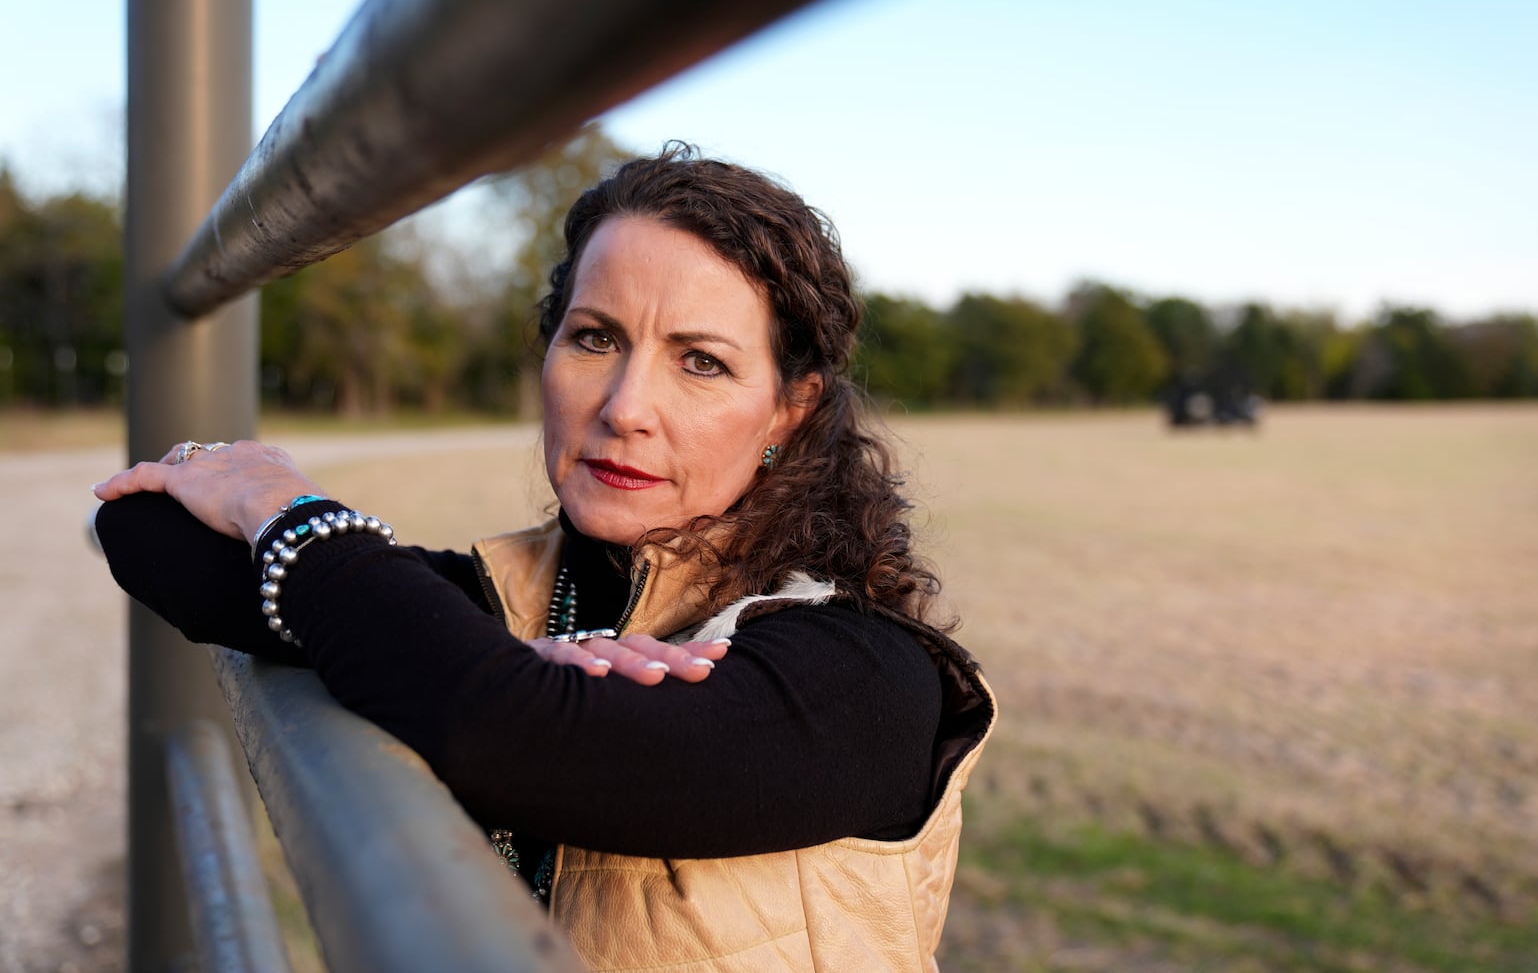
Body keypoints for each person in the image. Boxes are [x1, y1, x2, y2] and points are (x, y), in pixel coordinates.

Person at [93, 145, 996, 972]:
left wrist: (284, 509)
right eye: (595, 338)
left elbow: (516, 736)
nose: (626, 406)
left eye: (702, 363)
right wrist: (513, 660)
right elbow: (145, 536)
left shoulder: (863, 675)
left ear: (789, 412)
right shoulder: (518, 598)